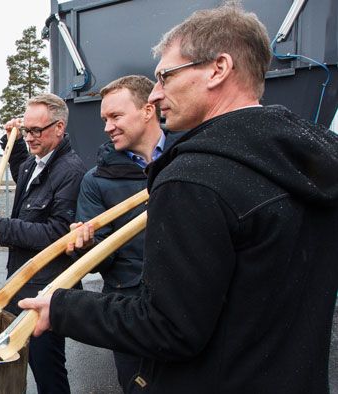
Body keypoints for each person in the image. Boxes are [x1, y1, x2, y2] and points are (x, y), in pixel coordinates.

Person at [19, 3, 338, 392]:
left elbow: (169, 327)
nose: (155, 93)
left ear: (218, 69)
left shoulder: (193, 179)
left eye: (165, 76)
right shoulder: (308, 161)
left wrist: (63, 308)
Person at [67, 75, 179, 393]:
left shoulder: (187, 159)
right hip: (127, 306)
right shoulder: (96, 179)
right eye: (105, 119)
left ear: (147, 110)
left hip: (183, 301)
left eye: (115, 116)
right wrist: (87, 245)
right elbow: (101, 258)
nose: (107, 127)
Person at [0, 93, 86, 393]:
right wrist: (9, 140)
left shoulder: (71, 171)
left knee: (47, 368)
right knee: (18, 359)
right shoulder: (32, 163)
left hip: (46, 289)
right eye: (26, 130)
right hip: (21, 281)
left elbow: (58, 234)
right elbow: (21, 171)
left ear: (59, 128)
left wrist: (3, 228)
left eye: (36, 131)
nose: (29, 137)